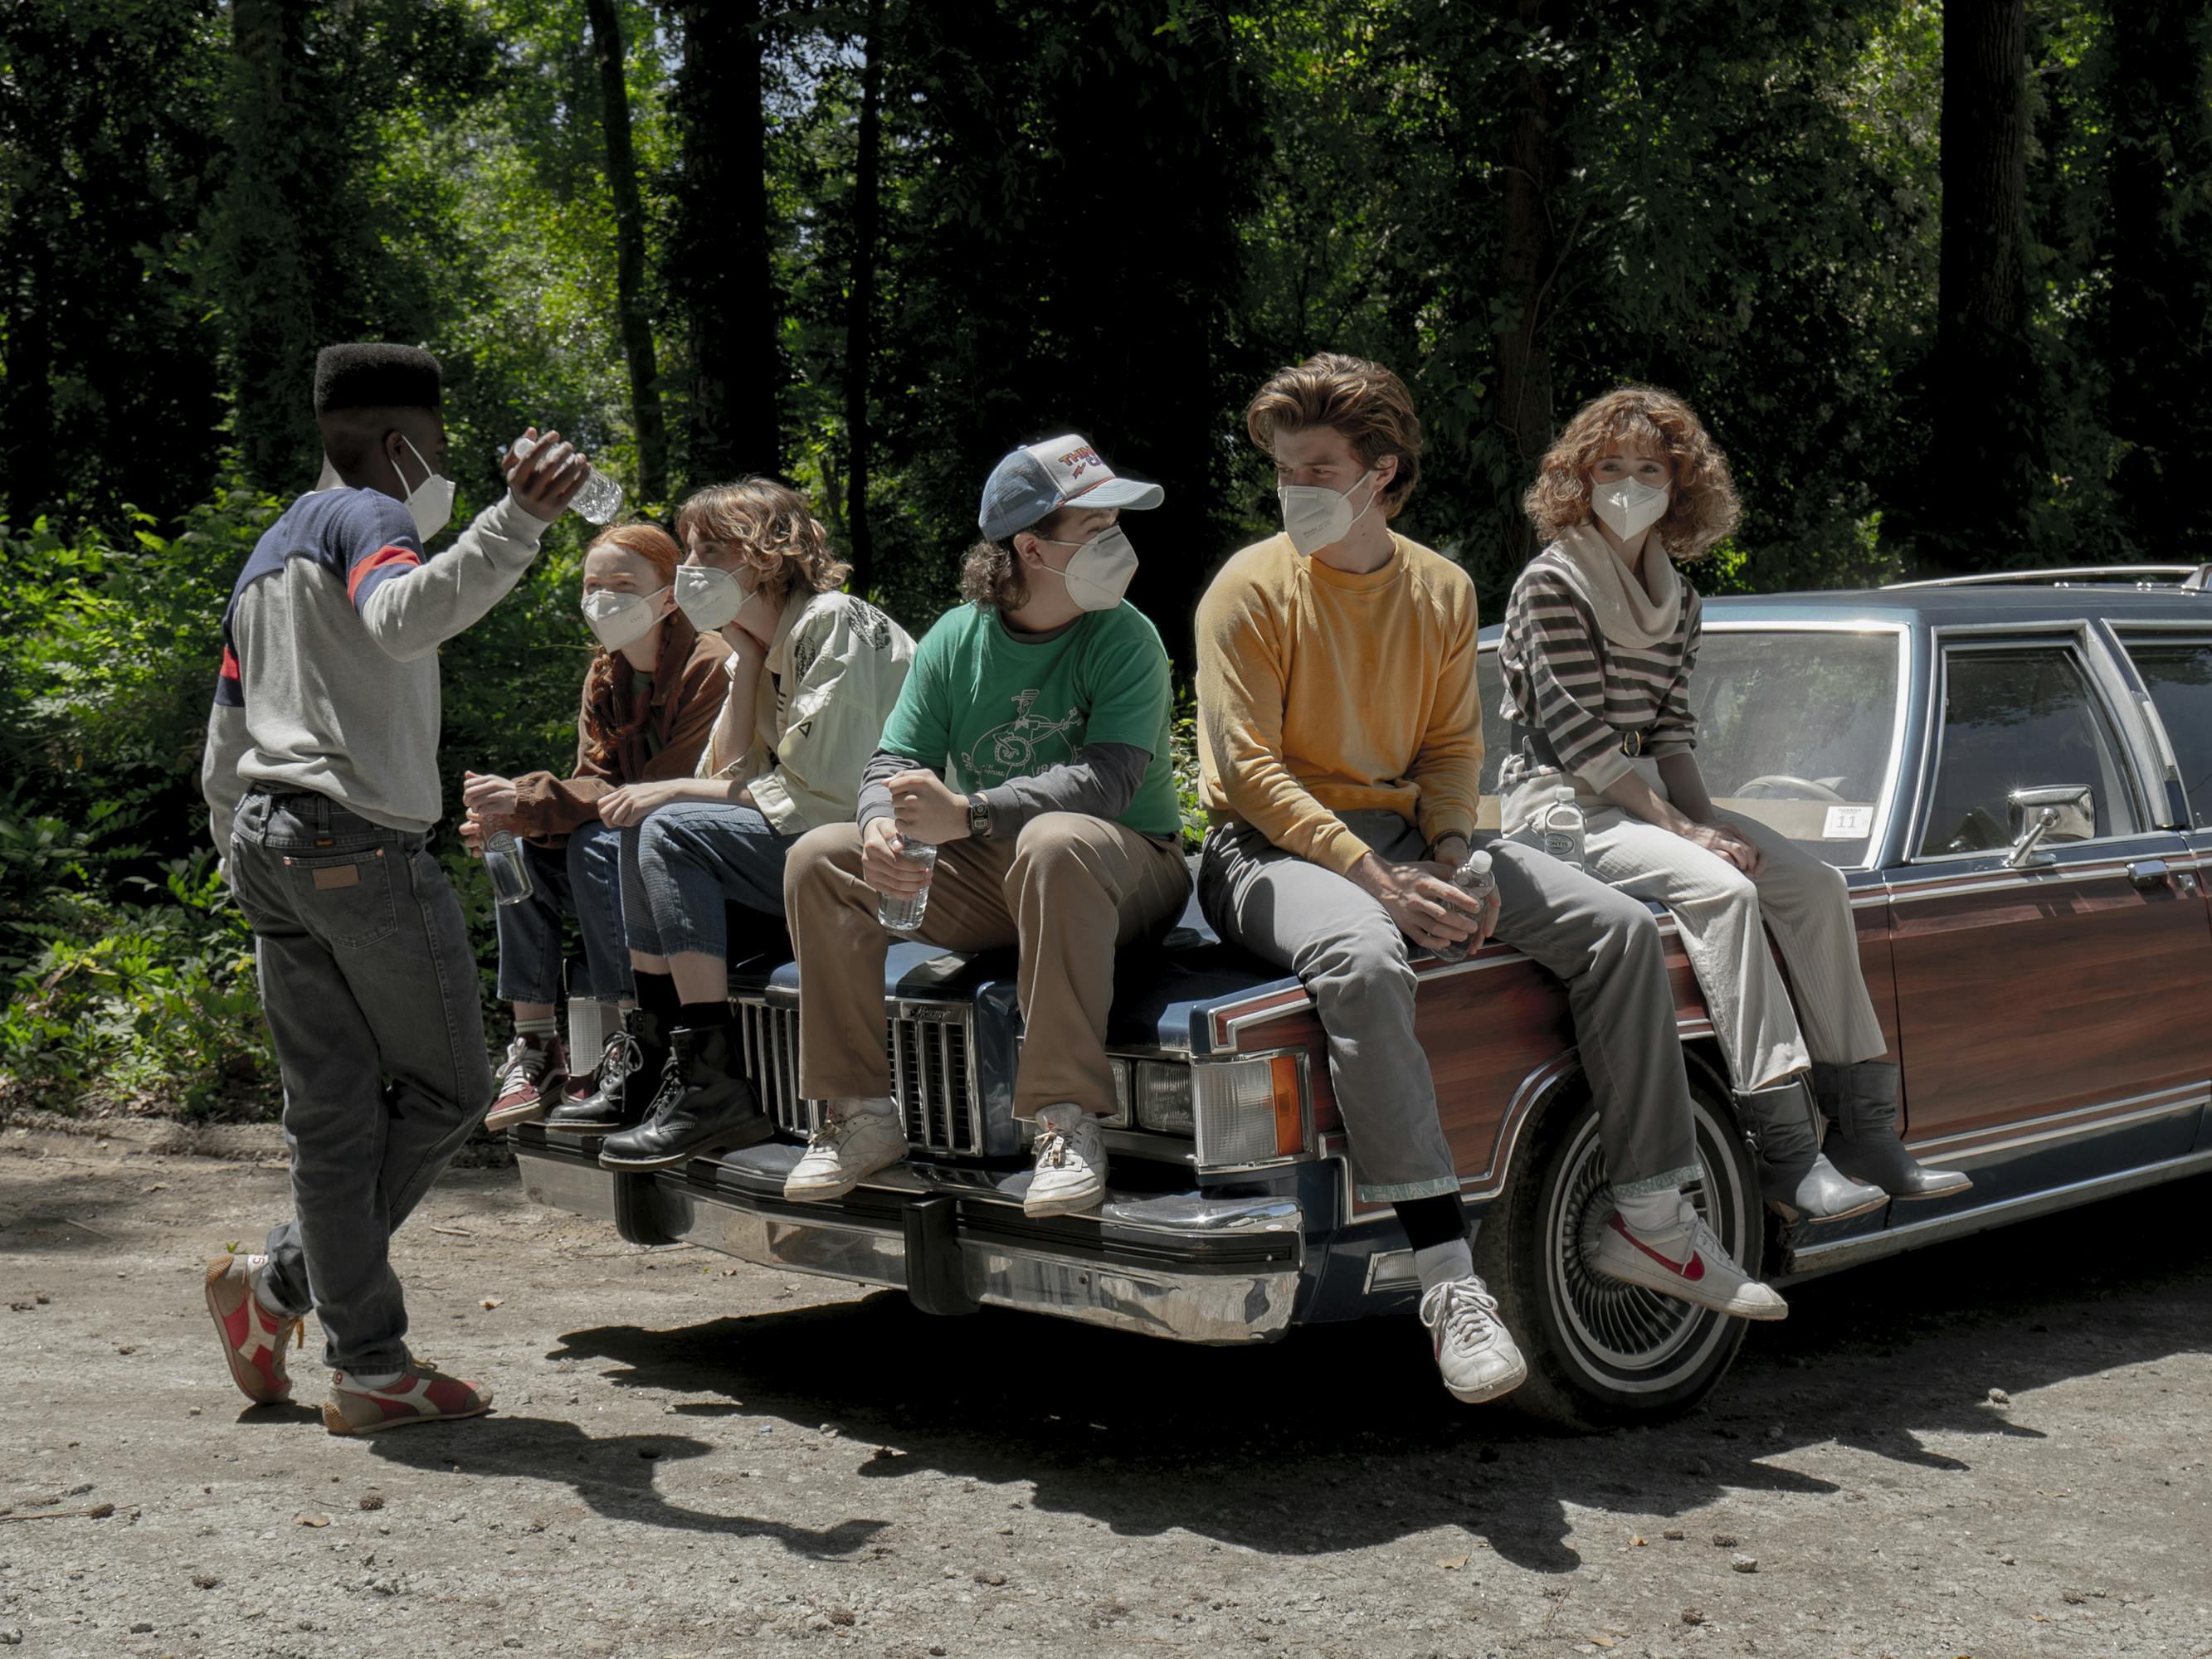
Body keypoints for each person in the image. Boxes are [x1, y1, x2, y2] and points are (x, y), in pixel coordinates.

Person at [1196, 353, 1785, 1408]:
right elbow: (1248, 771)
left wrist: (1458, 853)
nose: (1294, 489)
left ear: (1380, 472)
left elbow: (1449, 749)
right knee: (1362, 952)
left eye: (1317, 466)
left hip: (1416, 839)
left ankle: (1649, 1215)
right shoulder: (1246, 586)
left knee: (1614, 929)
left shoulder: (1439, 587)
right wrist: (1380, 877)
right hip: (1269, 851)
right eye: (1283, 468)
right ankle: (1448, 1282)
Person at [198, 343, 587, 1433]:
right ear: (401, 442)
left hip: (272, 845)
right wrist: (515, 522)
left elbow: (224, 740)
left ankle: (317, 1322)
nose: (444, 465)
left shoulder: (268, 555)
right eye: (440, 447)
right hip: (353, 839)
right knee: (453, 1085)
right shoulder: (370, 516)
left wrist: (245, 855)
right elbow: (403, 618)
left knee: (330, 1121)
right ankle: (309, 1311)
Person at [1499, 384, 1969, 1214]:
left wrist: (1706, 817)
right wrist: (1687, 833)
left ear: (1678, 484)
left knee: (1814, 885)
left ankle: (1864, 1131)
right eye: (1609, 465)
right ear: (1577, 476)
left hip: (1639, 800)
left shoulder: (1678, 597)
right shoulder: (1552, 581)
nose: (1627, 481)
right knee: (1719, 887)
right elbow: (1576, 742)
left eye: (1648, 467)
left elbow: (1671, 728)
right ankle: (1784, 1150)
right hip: (1557, 806)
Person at [780, 435, 1189, 1217]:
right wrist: (878, 828)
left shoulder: (1126, 635)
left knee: (1056, 839)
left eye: (1116, 525)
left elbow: (1107, 782)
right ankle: (858, 1116)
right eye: (1096, 529)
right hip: (1006, 871)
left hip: (1129, 869)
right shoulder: (953, 639)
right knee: (818, 859)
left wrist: (966, 814)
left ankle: (1066, 1123)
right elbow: (889, 761)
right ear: (1031, 547)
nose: (1118, 544)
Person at [542, 479, 914, 1170]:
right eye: (689, 550)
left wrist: (673, 790)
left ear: (768, 556)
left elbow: (824, 795)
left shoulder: (833, 621)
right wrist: (745, 659)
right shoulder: (758, 649)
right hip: (808, 850)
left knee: (666, 822)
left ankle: (711, 1084)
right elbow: (731, 773)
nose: (691, 570)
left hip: (886, 859)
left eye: (711, 550)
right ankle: (659, 1061)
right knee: (636, 827)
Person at [461, 521, 732, 1133]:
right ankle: (537, 1050)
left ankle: (632, 1039)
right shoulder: (604, 676)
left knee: (594, 840)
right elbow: (594, 780)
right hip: (622, 834)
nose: (603, 597)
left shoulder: (710, 663)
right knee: (519, 846)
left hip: (687, 845)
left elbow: (657, 789)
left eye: (622, 584)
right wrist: (514, 816)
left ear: (669, 596)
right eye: (593, 585)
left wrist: (530, 799)